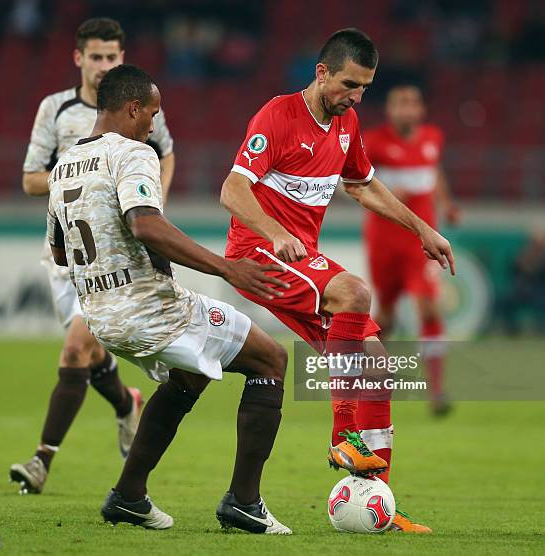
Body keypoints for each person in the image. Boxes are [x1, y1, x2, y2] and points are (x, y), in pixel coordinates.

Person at [221, 28, 455, 533]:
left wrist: (422, 228)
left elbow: (363, 185)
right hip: (259, 253)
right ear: (321, 71)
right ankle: (342, 435)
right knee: (355, 292)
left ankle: (380, 504)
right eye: (350, 84)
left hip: (302, 257)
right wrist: (274, 230)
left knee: (378, 365)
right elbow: (233, 190)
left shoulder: (347, 123)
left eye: (365, 88)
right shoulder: (277, 117)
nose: (356, 97)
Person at [47, 64, 293, 534]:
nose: (155, 124)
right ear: (133, 106)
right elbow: (145, 223)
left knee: (190, 375)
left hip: (100, 317)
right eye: (153, 113)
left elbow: (61, 251)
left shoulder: (64, 166)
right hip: (150, 309)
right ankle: (244, 503)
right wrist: (227, 267)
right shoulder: (134, 152)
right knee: (271, 358)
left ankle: (129, 496)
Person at [11, 18, 175, 495]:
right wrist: (82, 176)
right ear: (78, 58)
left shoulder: (137, 104)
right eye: (96, 57)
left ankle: (41, 459)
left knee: (77, 349)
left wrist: (150, 203)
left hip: (115, 255)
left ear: (121, 59)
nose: (105, 65)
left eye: (112, 57)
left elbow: (163, 153)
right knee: (91, 351)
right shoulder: (56, 109)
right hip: (66, 254)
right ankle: (126, 404)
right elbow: (28, 179)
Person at [363, 84, 460, 416]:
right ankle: (372, 383)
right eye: (399, 103)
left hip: (421, 244)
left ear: (420, 110)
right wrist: (389, 193)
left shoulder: (432, 137)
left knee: (429, 308)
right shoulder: (373, 143)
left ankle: (437, 392)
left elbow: (434, 172)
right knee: (385, 316)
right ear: (389, 110)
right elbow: (355, 183)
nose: (406, 109)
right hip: (383, 243)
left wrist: (446, 203)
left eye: (412, 103)